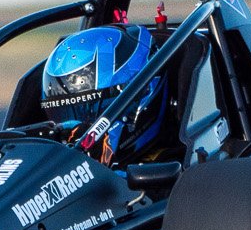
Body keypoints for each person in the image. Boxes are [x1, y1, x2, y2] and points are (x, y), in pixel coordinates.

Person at [38, 22, 170, 163]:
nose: (72, 133)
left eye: (91, 115)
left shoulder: (173, 167)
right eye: (62, 114)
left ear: (142, 96)